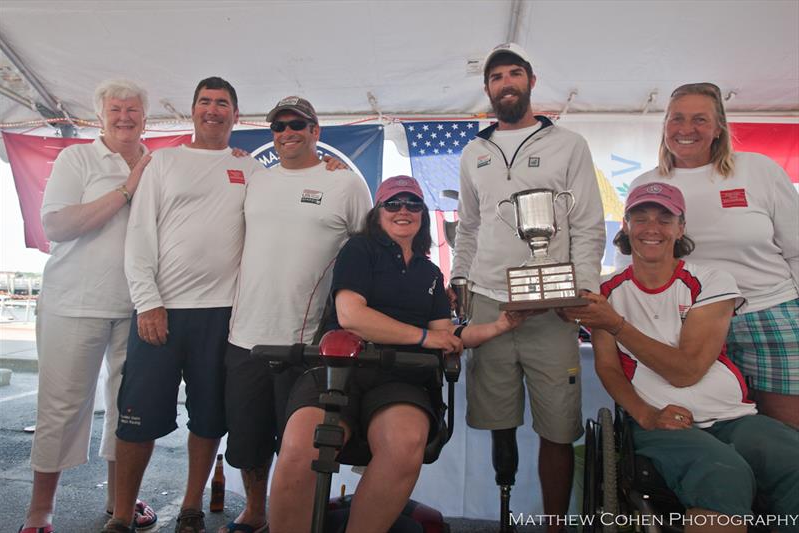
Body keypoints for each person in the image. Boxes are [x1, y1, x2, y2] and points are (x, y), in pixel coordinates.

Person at [269, 176, 530, 533]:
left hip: (402, 375)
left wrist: (501, 324)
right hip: (338, 369)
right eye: (393, 203)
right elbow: (351, 316)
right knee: (301, 449)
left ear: (422, 214)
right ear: (377, 213)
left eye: (412, 204)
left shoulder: (431, 273)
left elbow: (446, 335)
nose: (403, 210)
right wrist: (424, 338)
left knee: (405, 445)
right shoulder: (359, 250)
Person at [565, 182, 799, 533]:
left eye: (664, 218)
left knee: (792, 460)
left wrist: (616, 325)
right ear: (626, 226)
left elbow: (687, 370)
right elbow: (608, 367)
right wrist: (646, 415)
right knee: (724, 472)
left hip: (731, 415)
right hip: (658, 421)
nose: (652, 228)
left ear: (680, 227)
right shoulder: (605, 292)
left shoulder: (711, 281)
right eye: (640, 218)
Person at [451, 42, 605, 531]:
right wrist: (460, 278)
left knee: (558, 428)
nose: (506, 84)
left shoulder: (569, 144)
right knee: (498, 422)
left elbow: (587, 225)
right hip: (489, 303)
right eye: (497, 78)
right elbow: (469, 227)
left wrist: (578, 292)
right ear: (488, 89)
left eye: (514, 74)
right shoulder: (474, 150)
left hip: (552, 307)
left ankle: (554, 524)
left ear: (531, 82)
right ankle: (503, 516)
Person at [102, 77, 265, 533]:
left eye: (223, 103)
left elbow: (290, 199)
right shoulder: (164, 161)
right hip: (160, 311)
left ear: (236, 113)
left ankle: (191, 506)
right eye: (205, 102)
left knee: (209, 417)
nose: (213, 110)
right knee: (136, 419)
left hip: (222, 315)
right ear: (192, 110)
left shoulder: (250, 169)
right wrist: (149, 302)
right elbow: (139, 238)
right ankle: (120, 514)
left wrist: (329, 171)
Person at [220, 96, 371, 533]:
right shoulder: (255, 178)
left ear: (315, 131)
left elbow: (365, 252)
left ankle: (294, 518)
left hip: (305, 343)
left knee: (298, 446)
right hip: (243, 335)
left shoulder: (345, 183)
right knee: (247, 441)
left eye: (297, 125)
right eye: (279, 125)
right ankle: (255, 509)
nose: (287, 133)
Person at [21, 79, 157, 533]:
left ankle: (121, 504)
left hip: (137, 306)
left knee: (128, 409)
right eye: (115, 109)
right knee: (61, 408)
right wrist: (125, 190)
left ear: (145, 117)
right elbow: (56, 225)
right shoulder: (76, 158)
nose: (124, 116)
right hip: (74, 302)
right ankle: (40, 510)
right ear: (99, 116)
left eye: (133, 109)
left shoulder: (156, 162)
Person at [627, 82, 799, 428]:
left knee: (787, 433)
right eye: (677, 119)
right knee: (714, 431)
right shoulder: (647, 184)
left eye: (700, 120)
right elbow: (638, 261)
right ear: (665, 126)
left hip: (769, 315)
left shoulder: (757, 170)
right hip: (689, 326)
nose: (686, 129)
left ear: (719, 127)